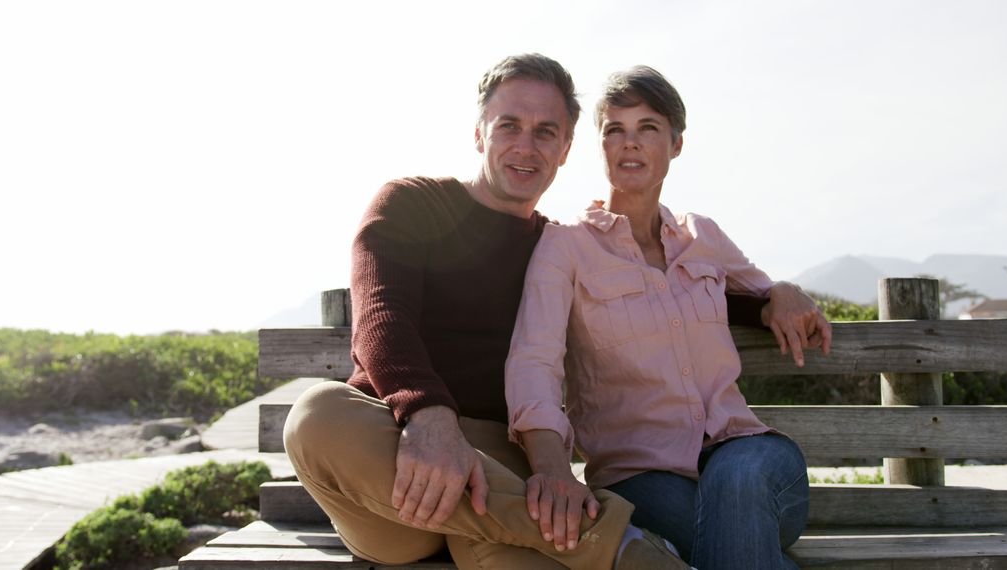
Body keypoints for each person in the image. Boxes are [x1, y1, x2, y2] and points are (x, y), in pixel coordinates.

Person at [283, 54, 825, 569]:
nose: (526, 145)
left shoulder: (559, 247)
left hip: (503, 461)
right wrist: (429, 418)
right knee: (316, 416)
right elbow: (381, 318)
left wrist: (776, 293)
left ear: (566, 148)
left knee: (512, 532)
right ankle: (621, 550)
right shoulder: (413, 203)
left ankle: (590, 541)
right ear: (479, 133)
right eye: (509, 125)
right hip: (399, 458)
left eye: (546, 132)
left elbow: (678, 292)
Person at [506, 65, 832, 569]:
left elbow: (760, 290)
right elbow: (534, 360)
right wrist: (551, 468)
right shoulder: (564, 247)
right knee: (736, 540)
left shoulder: (703, 236)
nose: (629, 144)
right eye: (615, 130)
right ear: (601, 147)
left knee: (737, 484)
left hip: (747, 455)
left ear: (675, 144)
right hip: (640, 477)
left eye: (647, 129)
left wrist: (785, 290)